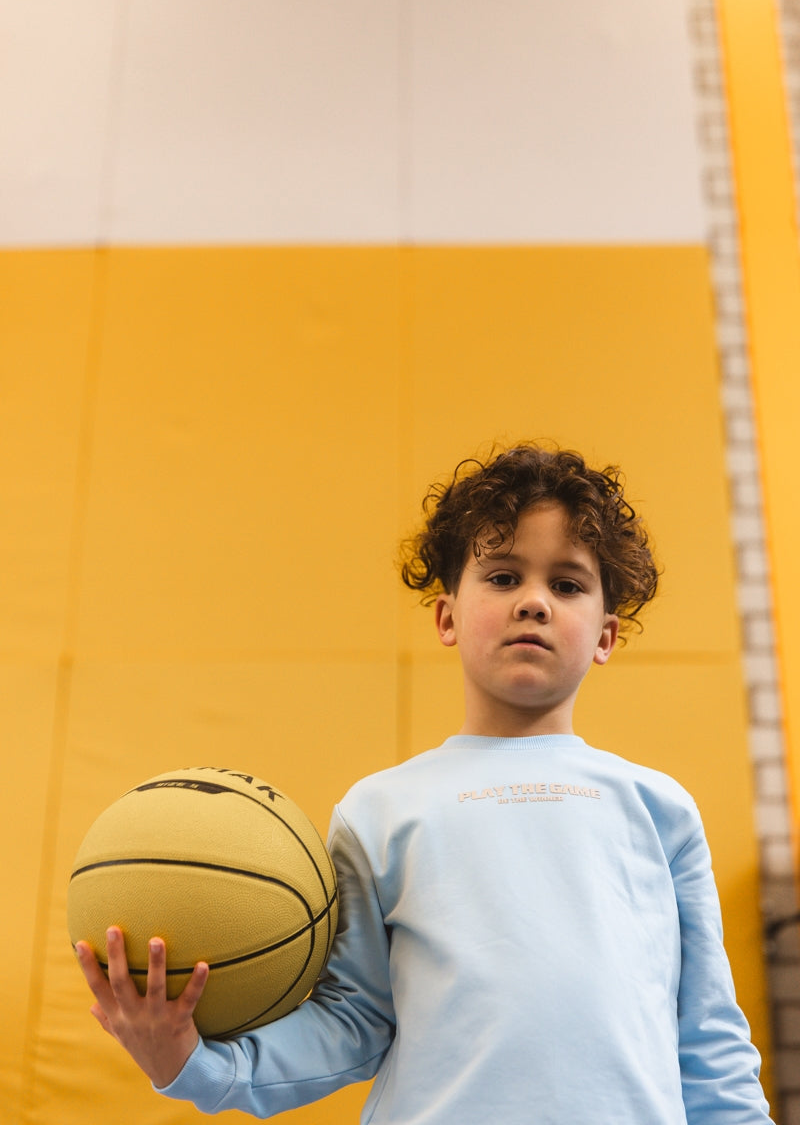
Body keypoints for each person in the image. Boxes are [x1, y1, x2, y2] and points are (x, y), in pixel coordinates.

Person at [76, 443, 774, 1123]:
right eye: (502, 577)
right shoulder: (381, 810)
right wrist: (194, 1063)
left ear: (604, 635)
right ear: (447, 616)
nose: (534, 601)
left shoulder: (658, 808)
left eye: (566, 584)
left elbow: (708, 1034)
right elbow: (353, 1020)